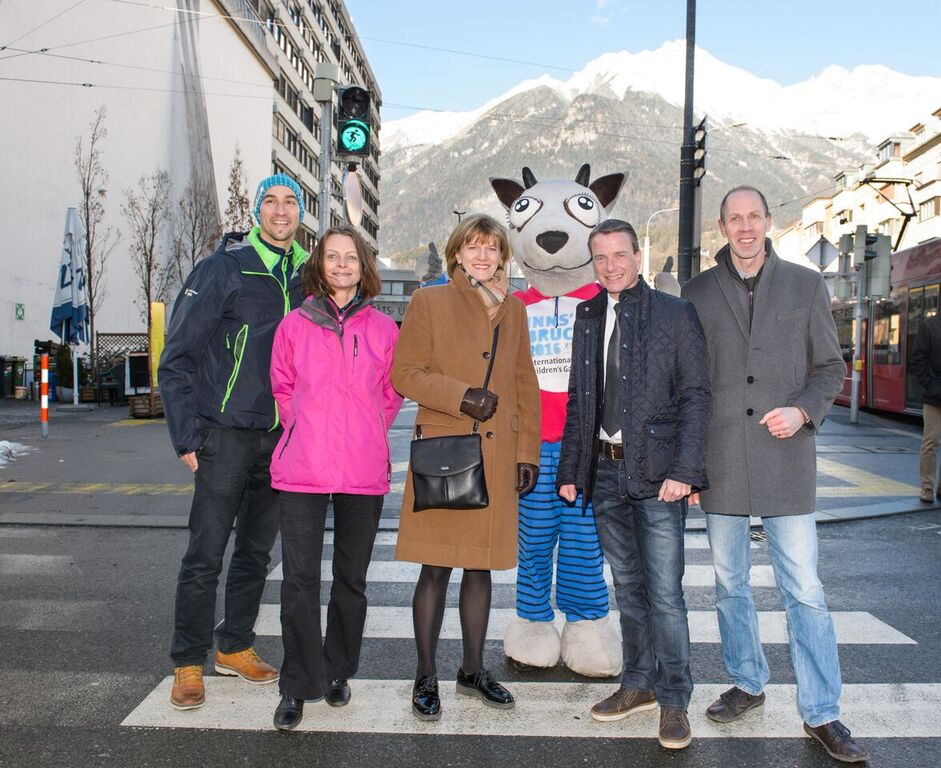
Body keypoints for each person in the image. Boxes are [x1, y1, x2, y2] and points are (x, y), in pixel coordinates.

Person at [682, 186, 869, 764]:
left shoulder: (805, 284)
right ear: (721, 227)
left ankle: (823, 712)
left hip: (786, 459)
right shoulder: (696, 292)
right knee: (730, 582)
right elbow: (688, 384)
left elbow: (831, 365)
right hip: (720, 462)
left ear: (769, 222)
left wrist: (804, 408)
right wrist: (687, 466)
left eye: (753, 217)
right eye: (734, 219)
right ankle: (747, 680)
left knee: (805, 592)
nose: (744, 227)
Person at [557, 218, 709, 750]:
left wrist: (686, 472)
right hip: (604, 471)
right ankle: (638, 683)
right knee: (628, 587)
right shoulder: (588, 313)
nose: (611, 266)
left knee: (665, 594)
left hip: (660, 476)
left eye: (619, 256)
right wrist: (572, 472)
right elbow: (581, 399)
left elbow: (695, 395)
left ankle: (674, 699)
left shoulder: (674, 313)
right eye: (601, 258)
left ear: (637, 257)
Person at [159, 173, 309, 711]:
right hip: (224, 435)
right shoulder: (223, 270)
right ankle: (186, 661)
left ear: (300, 213)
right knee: (205, 554)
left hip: (279, 441)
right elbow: (177, 358)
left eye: (290, 201)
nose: (281, 210)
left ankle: (236, 645)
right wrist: (186, 435)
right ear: (256, 212)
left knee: (254, 553)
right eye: (270, 201)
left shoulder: (306, 276)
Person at [391, 213, 541, 721]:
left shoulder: (514, 310)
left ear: (502, 255)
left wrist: (528, 453)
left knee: (481, 569)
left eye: (492, 248)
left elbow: (525, 385)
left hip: (498, 456)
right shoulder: (427, 301)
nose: (482, 255)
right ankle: (425, 674)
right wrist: (462, 397)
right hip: (446, 455)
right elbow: (404, 373)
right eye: (473, 246)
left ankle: (473, 669)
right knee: (435, 569)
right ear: (457, 253)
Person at [268, 226, 403, 730]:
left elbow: (390, 395)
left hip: (362, 469)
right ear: (319, 265)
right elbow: (282, 386)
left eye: (351, 257)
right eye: (333, 257)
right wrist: (304, 427)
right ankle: (298, 683)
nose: (342, 265)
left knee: (352, 580)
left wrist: (364, 431)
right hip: (302, 467)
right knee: (298, 581)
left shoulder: (384, 328)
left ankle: (338, 670)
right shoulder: (294, 324)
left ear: (363, 266)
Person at [912, 310, 941, 503]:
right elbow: (917, 360)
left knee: (931, 442)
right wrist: (932, 387)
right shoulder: (929, 326)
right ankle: (927, 487)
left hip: (933, 393)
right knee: (931, 442)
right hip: (934, 397)